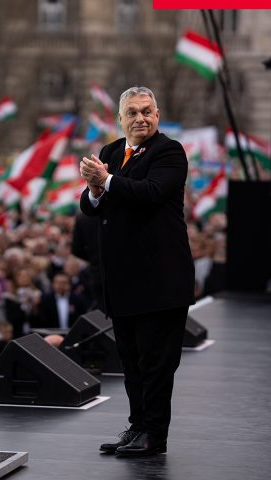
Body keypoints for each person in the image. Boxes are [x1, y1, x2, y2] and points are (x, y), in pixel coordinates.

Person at [79, 86, 194, 457]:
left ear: (158, 115)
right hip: (123, 281)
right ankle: (137, 425)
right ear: (120, 119)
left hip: (161, 280)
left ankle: (154, 435)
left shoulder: (170, 152)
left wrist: (106, 181)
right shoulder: (110, 152)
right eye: (133, 112)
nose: (140, 118)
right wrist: (95, 188)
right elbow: (91, 207)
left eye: (147, 111)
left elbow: (151, 192)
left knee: (156, 364)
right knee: (131, 363)